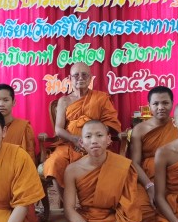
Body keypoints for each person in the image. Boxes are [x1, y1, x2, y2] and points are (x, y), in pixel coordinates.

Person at [44, 120, 154, 222]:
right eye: (88, 136)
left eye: (99, 135)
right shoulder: (72, 170)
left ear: (108, 139)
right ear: (81, 142)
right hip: (87, 221)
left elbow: (125, 210)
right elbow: (69, 209)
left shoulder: (122, 165)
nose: (94, 140)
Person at [43, 62, 121, 200]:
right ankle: (67, 204)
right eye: (76, 75)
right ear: (70, 79)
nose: (80, 78)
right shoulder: (64, 101)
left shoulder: (101, 98)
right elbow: (58, 129)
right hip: (69, 144)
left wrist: (92, 139)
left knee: (108, 163)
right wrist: (74, 139)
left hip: (95, 144)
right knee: (54, 162)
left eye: (84, 75)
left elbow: (109, 123)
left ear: (90, 78)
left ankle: (93, 204)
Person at [129, 86, 178, 222]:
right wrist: (149, 187)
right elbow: (135, 163)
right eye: (156, 103)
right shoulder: (140, 129)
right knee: (140, 211)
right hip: (148, 178)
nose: (160, 107)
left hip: (174, 177)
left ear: (172, 103)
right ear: (149, 105)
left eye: (165, 103)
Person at [0, 83, 39, 222]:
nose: (1, 104)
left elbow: (29, 161)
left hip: (18, 180)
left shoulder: (23, 128)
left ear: (14, 102)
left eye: (6, 100)